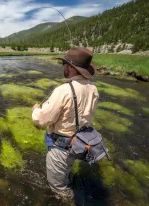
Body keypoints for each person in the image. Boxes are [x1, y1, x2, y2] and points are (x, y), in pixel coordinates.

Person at [31, 47, 99, 199]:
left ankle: (67, 200)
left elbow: (41, 122)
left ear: (71, 68)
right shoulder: (93, 88)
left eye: (64, 64)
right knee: (66, 172)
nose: (62, 67)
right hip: (79, 144)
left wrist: (35, 110)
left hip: (60, 148)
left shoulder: (63, 91)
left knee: (58, 189)